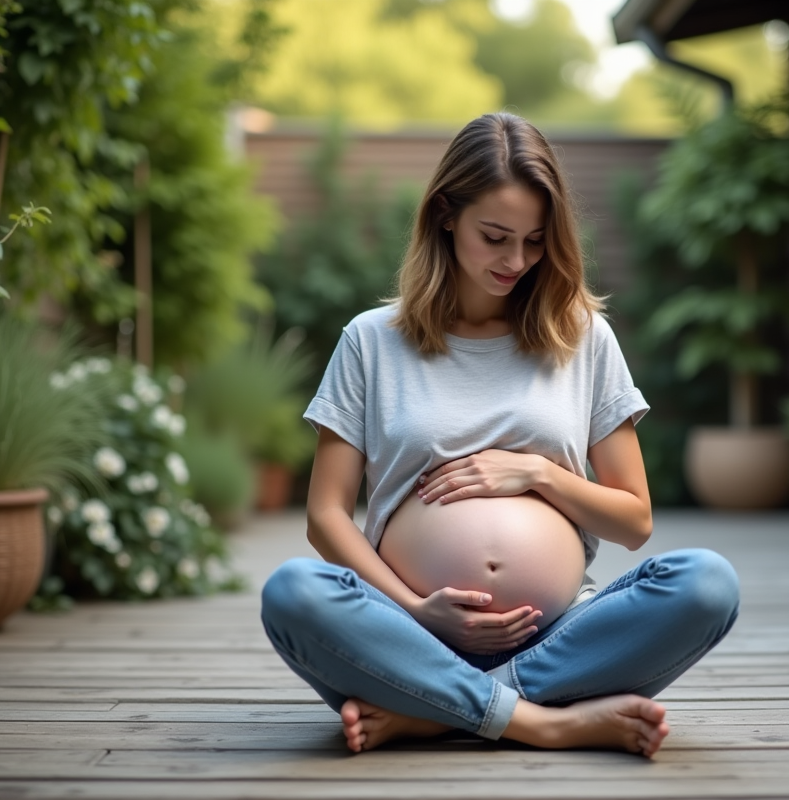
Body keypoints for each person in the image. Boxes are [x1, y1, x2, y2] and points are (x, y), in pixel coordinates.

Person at [261, 112, 740, 758]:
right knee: (292, 592)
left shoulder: (583, 337)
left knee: (708, 583)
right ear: (445, 215)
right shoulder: (371, 342)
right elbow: (325, 516)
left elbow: (634, 521)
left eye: (535, 241)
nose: (516, 261)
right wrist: (414, 609)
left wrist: (537, 474)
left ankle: (434, 711)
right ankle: (545, 721)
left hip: (561, 634)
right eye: (495, 237)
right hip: (407, 634)